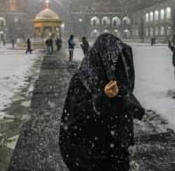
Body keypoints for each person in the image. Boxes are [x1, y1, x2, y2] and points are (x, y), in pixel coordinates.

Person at [59, 33, 145, 171]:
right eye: (112, 55)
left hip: (114, 151)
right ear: (101, 55)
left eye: (117, 55)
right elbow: (77, 113)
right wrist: (102, 97)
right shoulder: (82, 80)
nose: (116, 60)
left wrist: (133, 107)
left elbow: (122, 101)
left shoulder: (111, 75)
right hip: (92, 151)